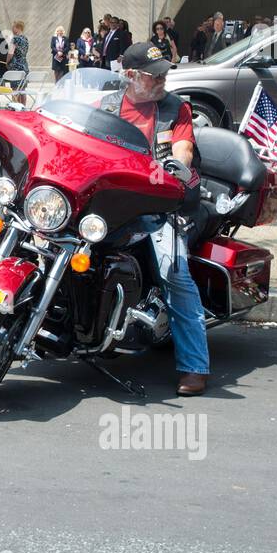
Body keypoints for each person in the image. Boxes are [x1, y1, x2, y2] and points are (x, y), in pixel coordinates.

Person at [104, 41, 209, 396]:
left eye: (166, 71)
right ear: (130, 75)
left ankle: (194, 365)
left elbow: (184, 149)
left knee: (173, 271)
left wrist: (177, 167)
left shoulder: (175, 109)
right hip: (110, 200)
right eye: (155, 74)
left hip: (159, 204)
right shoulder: (105, 104)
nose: (163, 78)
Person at [5, 20, 30, 104]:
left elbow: (11, 53)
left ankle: (15, 108)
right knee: (22, 89)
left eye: (13, 27)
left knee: (15, 89)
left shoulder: (15, 39)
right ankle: (23, 108)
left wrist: (7, 62)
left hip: (15, 66)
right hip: (24, 66)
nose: (12, 29)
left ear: (18, 28)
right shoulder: (25, 39)